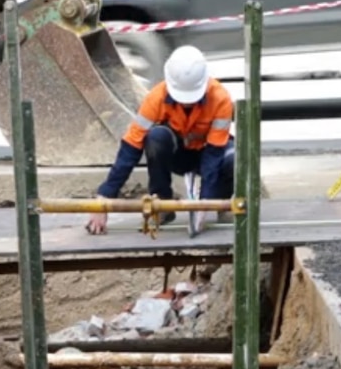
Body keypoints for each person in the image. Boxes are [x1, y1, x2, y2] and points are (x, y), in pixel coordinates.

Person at [86, 45, 236, 235]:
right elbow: (130, 148)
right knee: (156, 138)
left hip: (208, 152)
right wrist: (105, 196)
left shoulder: (221, 99)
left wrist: (204, 202)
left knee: (234, 158)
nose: (187, 102)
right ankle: (163, 203)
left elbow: (214, 154)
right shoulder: (156, 97)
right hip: (178, 155)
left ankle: (220, 203)